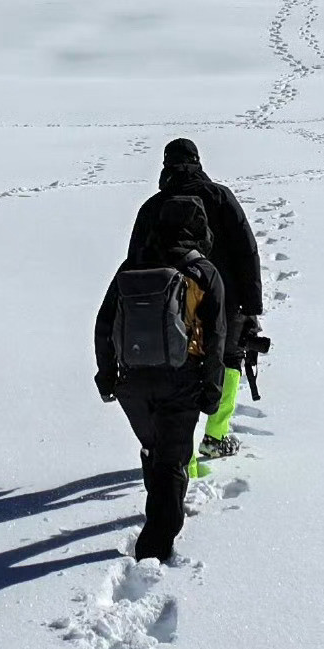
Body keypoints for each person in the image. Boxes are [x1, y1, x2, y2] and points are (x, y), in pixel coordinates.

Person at [94, 195, 227, 562]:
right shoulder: (203, 272)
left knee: (155, 449)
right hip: (180, 380)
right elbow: (216, 339)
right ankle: (154, 550)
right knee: (172, 460)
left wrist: (106, 376)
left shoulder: (131, 265)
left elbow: (104, 324)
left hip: (131, 383)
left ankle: (159, 516)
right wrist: (213, 390)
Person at [126, 138, 263, 458]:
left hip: (166, 305)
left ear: (165, 166)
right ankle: (216, 437)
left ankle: (171, 444)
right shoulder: (220, 196)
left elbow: (134, 262)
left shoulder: (152, 207)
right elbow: (247, 251)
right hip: (225, 300)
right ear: (197, 161)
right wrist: (252, 304)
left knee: (173, 367)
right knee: (229, 359)